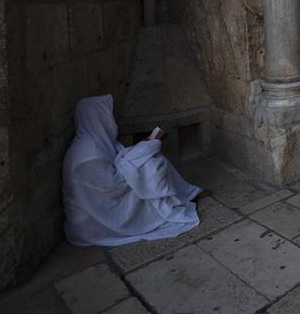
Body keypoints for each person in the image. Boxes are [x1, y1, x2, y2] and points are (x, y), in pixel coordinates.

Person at [62, 94, 201, 246]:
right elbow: (113, 186)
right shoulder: (86, 152)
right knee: (151, 168)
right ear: (97, 117)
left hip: (101, 208)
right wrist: (140, 156)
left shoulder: (96, 143)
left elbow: (118, 164)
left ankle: (180, 196)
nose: (112, 120)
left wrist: (141, 151)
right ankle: (174, 201)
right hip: (95, 220)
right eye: (108, 115)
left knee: (152, 164)